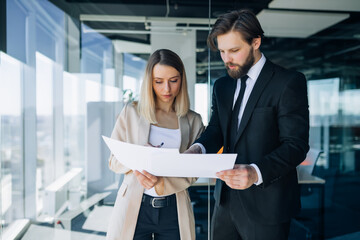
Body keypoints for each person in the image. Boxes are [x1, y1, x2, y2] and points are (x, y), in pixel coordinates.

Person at [186, 9, 309, 240]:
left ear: (255, 42)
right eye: (222, 51)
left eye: (234, 50)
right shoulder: (222, 85)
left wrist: (255, 172)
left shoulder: (288, 82)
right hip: (225, 203)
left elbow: (296, 145)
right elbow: (217, 130)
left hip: (267, 205)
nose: (226, 59)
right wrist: (198, 148)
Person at [106, 49, 204, 240]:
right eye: (158, 81)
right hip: (134, 206)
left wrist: (160, 183)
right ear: (149, 81)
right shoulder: (131, 112)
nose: (166, 89)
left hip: (174, 209)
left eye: (173, 81)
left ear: (182, 80)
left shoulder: (193, 120)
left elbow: (193, 171)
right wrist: (139, 159)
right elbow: (113, 162)